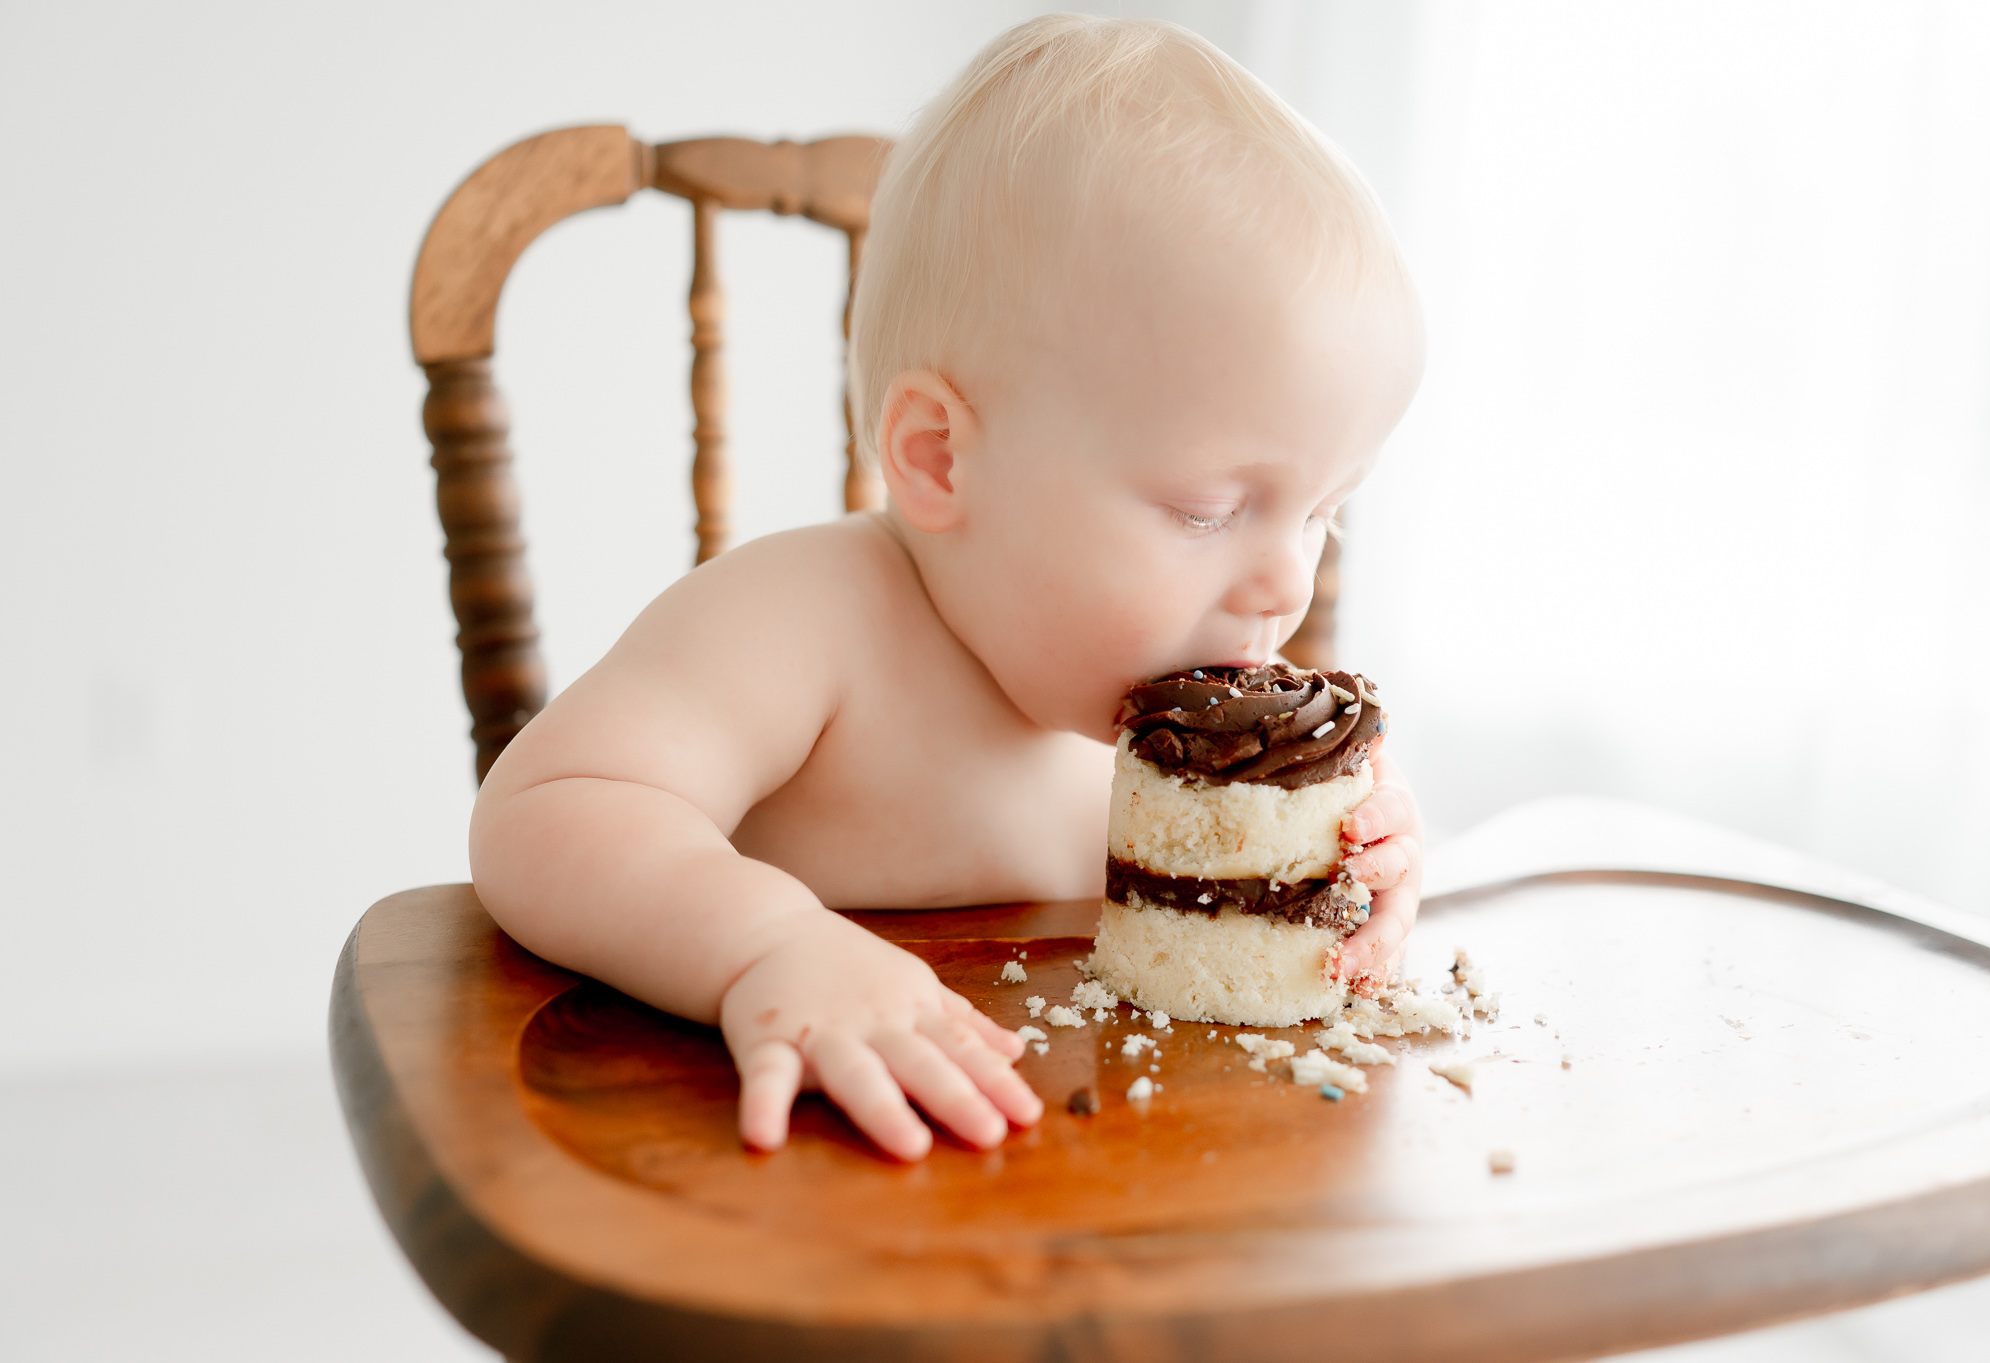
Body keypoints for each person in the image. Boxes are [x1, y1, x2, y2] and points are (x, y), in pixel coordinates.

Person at [469, 14, 1427, 1161]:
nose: (1284, 578)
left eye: (1323, 509)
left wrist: (1360, 874)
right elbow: (547, 811)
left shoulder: (1162, 712)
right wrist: (766, 944)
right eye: (1210, 509)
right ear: (938, 458)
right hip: (803, 1180)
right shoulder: (803, 624)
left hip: (1101, 1198)